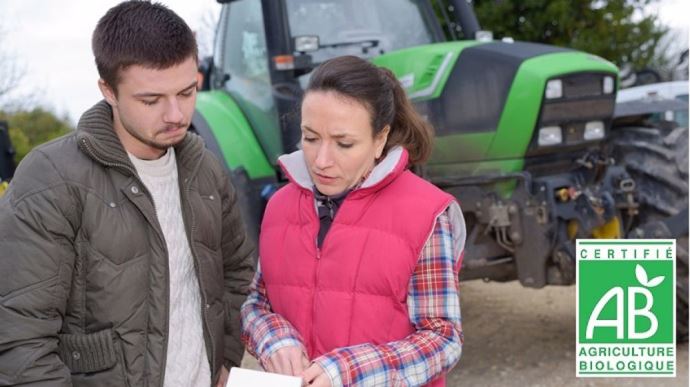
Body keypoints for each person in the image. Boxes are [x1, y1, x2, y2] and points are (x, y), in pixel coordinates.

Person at [0, 2, 254, 386]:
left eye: (187, 92)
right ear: (109, 91)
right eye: (151, 100)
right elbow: (20, 339)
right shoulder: (51, 178)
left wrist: (227, 359)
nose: (175, 114)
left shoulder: (207, 171)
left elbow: (237, 274)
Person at [241, 55, 466, 387]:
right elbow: (257, 303)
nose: (321, 160)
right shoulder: (279, 207)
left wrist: (347, 370)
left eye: (344, 143)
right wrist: (274, 338)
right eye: (310, 137)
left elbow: (443, 338)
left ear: (379, 140)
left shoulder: (427, 214)